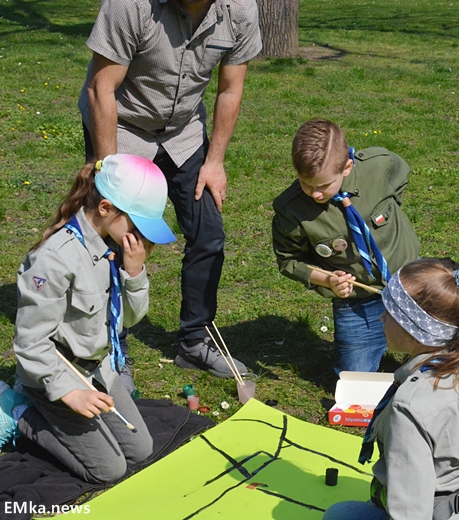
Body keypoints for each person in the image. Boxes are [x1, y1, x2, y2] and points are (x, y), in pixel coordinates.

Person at [77, 0, 263, 383]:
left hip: (184, 133)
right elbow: (102, 88)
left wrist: (214, 161)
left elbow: (231, 88)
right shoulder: (130, 6)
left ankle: (195, 342)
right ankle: (113, 347)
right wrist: (108, 169)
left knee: (208, 234)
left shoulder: (240, 10)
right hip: (123, 125)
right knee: (115, 238)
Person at [2, 155, 177, 483]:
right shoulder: (54, 260)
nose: (141, 235)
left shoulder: (111, 248)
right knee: (109, 470)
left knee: (140, 450)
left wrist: (136, 272)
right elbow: (30, 341)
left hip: (98, 368)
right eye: (137, 223)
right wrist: (69, 393)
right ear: (107, 209)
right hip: (54, 375)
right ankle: (19, 410)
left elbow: (128, 320)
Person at [323, 258, 459, 520]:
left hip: (435, 513)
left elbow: (410, 511)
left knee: (339, 515)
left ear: (416, 329)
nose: (381, 316)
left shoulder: (410, 406)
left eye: (392, 313)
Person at [272, 119, 421, 373]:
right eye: (306, 184)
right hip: (357, 301)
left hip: (412, 284)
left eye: (323, 186)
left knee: (435, 362)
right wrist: (328, 279)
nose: (315, 194)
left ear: (347, 167)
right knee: (354, 379)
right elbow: (289, 261)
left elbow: (400, 179)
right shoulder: (292, 210)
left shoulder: (379, 165)